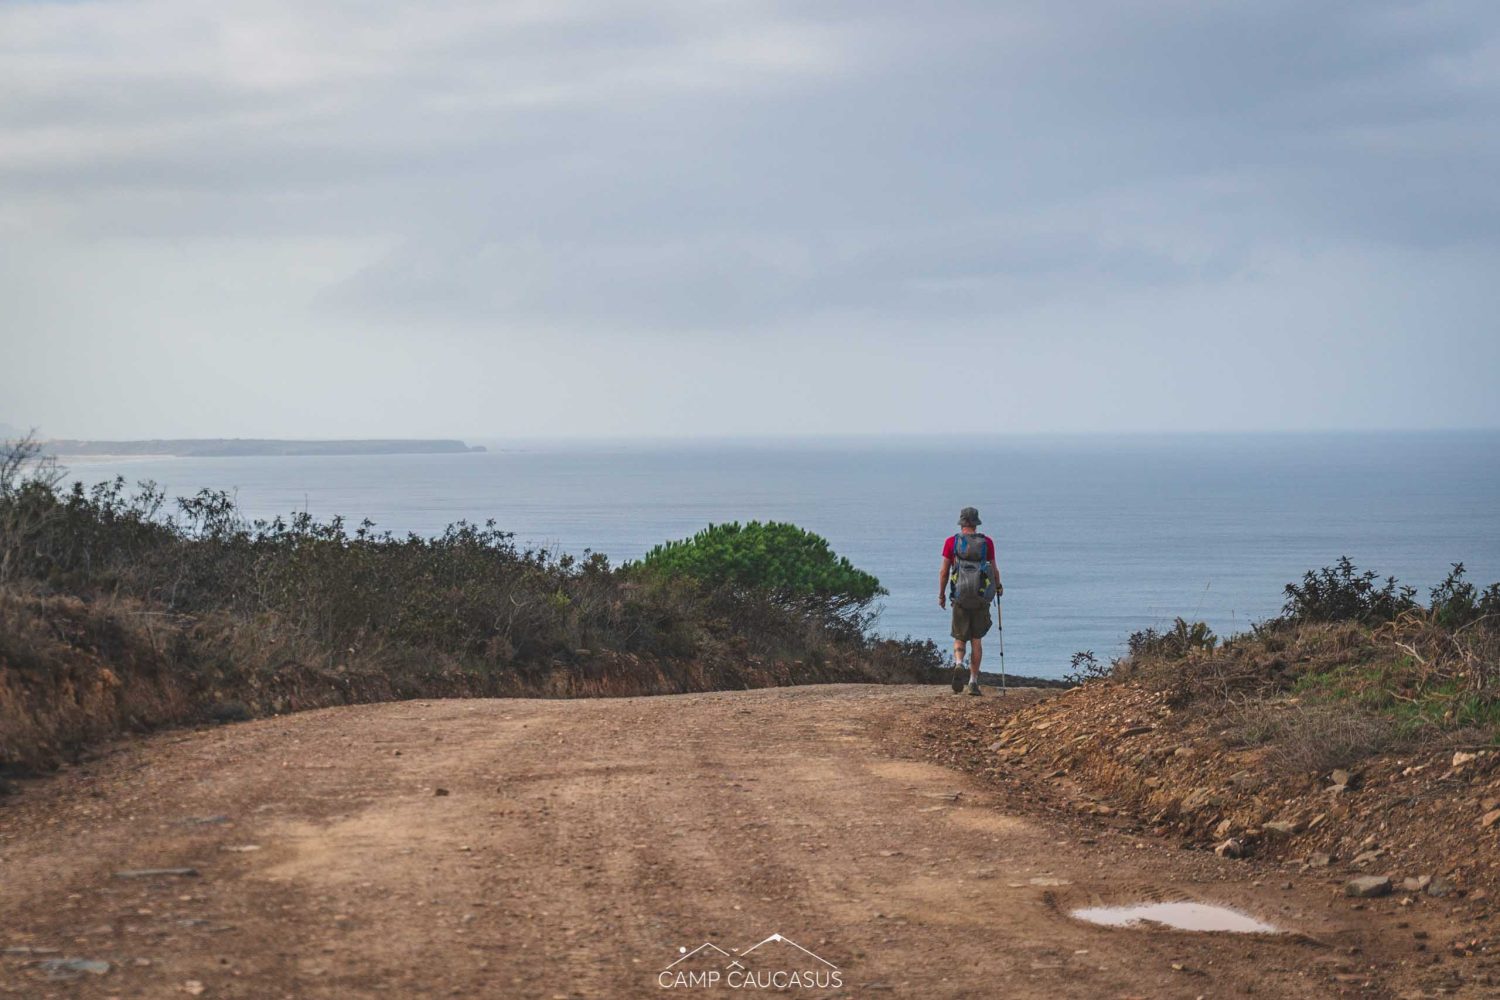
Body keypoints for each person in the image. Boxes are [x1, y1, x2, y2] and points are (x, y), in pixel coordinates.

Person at [938, 506, 1001, 696]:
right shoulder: (987, 543)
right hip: (980, 598)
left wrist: (941, 595)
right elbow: (994, 570)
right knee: (976, 640)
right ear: (976, 523)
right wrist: (998, 587)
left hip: (960, 597)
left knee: (959, 636)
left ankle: (958, 663)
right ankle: (973, 681)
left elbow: (944, 572)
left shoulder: (952, 542)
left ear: (962, 523)